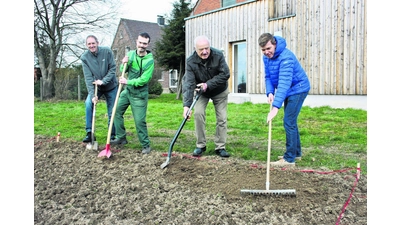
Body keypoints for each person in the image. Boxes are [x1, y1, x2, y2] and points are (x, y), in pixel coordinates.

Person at [258, 33, 311, 167]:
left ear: (274, 43)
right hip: (289, 90)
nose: (266, 52)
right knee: (291, 121)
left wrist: (276, 107)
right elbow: (268, 76)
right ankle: (296, 153)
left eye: (268, 48)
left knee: (289, 121)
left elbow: (284, 83)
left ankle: (289, 159)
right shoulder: (267, 58)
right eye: (263, 50)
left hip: (298, 88)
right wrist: (270, 92)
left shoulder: (286, 57)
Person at [182, 35, 231, 158]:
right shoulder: (190, 61)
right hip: (201, 92)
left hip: (219, 90)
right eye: (201, 49)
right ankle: (200, 145)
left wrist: (207, 84)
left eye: (207, 48)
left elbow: (225, 74)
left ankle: (220, 147)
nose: (205, 52)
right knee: (198, 113)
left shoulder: (218, 55)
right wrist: (186, 106)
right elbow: (189, 84)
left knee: (222, 118)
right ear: (195, 49)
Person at [110, 32, 154, 154]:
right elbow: (122, 70)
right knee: (116, 112)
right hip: (127, 92)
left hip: (139, 95)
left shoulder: (149, 61)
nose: (142, 45)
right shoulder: (130, 54)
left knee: (139, 121)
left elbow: (144, 80)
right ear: (136, 42)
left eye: (144, 43)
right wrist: (123, 63)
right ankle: (121, 137)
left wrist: (127, 81)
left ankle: (146, 145)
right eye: (140, 42)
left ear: (148, 44)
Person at [81, 35, 118, 143]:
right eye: (89, 44)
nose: (91, 45)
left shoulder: (106, 51)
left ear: (97, 43)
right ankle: (89, 133)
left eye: (93, 43)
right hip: (97, 87)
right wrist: (93, 95)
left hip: (111, 86)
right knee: (88, 103)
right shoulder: (85, 58)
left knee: (112, 111)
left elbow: (112, 69)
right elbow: (88, 78)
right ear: (86, 45)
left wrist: (104, 81)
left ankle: (112, 135)